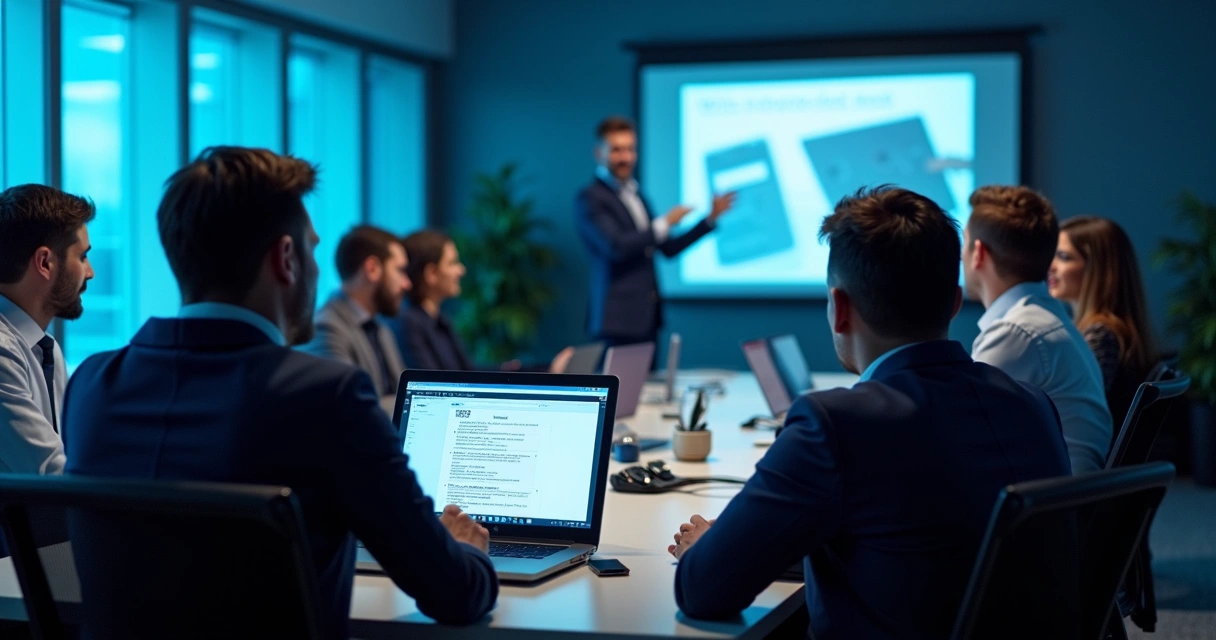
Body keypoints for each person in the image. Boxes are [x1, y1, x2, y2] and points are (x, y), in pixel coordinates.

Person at [63, 147, 497, 637]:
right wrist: (466, 550)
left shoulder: (93, 384)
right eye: (311, 250)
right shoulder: (324, 396)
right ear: (286, 259)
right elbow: (455, 595)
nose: (317, 270)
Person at [668, 186, 1071, 639]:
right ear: (956, 301)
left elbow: (704, 589)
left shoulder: (833, 424)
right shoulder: (1033, 404)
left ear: (839, 309)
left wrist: (710, 548)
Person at [963, 185, 1113, 474]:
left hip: (1049, 506)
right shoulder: (1043, 317)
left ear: (979, 253)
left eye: (964, 242)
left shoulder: (1017, 332)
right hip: (1065, 496)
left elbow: (961, 432)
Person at [574, 116, 735, 348]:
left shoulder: (637, 195)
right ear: (599, 153)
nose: (625, 157)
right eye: (617, 150)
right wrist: (665, 222)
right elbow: (617, 247)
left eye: (630, 149)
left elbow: (668, 248)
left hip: (647, 318)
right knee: (619, 384)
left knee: (648, 385)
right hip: (615, 320)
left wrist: (709, 220)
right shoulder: (590, 198)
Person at [0, 184, 95, 475]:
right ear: (44, 263)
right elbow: (53, 475)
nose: (90, 272)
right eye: (82, 257)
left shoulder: (45, 348)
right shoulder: (3, 353)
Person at [394, 229, 573, 372]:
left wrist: (545, 369)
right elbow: (433, 388)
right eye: (453, 263)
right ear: (431, 274)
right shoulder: (411, 324)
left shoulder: (441, 321)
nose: (461, 270)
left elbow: (470, 373)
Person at [1049, 215, 1158, 432]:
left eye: (1063, 256)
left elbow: (1081, 414)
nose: (1050, 266)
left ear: (1097, 269)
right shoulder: (1106, 329)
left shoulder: (1102, 335)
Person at [303, 225, 410, 414]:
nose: (407, 283)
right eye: (400, 270)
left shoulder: (379, 328)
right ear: (372, 269)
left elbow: (402, 393)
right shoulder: (326, 329)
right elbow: (354, 409)